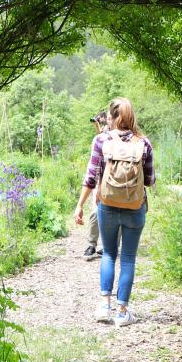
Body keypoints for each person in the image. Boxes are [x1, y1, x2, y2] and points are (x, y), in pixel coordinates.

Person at [74, 97, 155, 327]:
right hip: (134, 208)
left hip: (107, 206)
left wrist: (79, 206)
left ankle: (103, 306)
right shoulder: (144, 143)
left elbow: (90, 177)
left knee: (109, 254)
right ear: (131, 116)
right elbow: (149, 180)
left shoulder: (101, 140)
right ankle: (122, 312)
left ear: (112, 116)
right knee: (128, 258)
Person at [83, 111, 108, 260]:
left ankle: (107, 246)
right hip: (100, 181)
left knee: (113, 213)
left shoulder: (118, 133)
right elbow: (100, 141)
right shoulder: (101, 136)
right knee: (95, 212)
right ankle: (92, 244)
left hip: (113, 182)